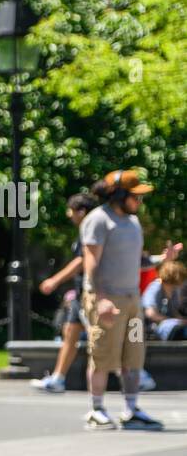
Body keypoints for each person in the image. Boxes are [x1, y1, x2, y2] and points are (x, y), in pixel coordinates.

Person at [80, 169, 161, 430]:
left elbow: (139, 261)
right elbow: (91, 263)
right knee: (102, 355)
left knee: (134, 356)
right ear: (120, 195)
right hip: (107, 301)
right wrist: (101, 298)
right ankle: (97, 409)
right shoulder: (98, 220)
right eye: (135, 197)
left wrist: (163, 259)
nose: (139, 202)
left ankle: (132, 409)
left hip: (132, 302)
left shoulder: (133, 223)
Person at [32, 193, 97, 393]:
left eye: (71, 210)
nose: (69, 215)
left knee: (99, 338)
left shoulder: (91, 231)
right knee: (70, 333)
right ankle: (58, 378)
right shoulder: (84, 232)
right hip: (80, 293)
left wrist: (54, 280)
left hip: (91, 292)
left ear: (81, 211)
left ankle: (134, 374)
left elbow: (80, 262)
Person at [142, 259, 187, 341]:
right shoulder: (155, 288)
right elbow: (151, 314)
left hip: (168, 327)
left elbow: (174, 312)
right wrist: (172, 320)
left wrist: (182, 320)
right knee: (177, 329)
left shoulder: (174, 291)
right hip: (150, 330)